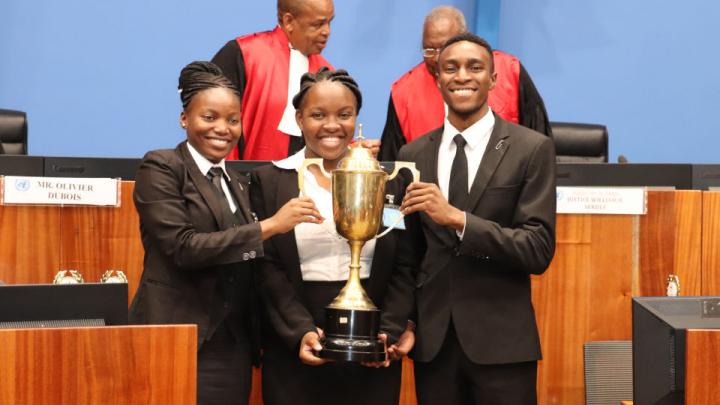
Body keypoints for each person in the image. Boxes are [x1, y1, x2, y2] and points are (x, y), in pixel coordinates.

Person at [129, 61, 323, 405]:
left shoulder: (238, 182)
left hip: (233, 343)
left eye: (233, 120)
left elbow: (254, 261)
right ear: (184, 118)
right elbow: (183, 248)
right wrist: (270, 226)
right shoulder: (161, 167)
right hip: (178, 338)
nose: (223, 128)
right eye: (210, 117)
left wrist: (299, 329)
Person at [398, 33, 556, 405]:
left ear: (493, 78)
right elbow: (408, 254)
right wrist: (404, 321)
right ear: (437, 78)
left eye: (475, 67)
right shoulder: (413, 153)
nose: (462, 76)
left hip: (502, 345)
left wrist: (458, 220)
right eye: (450, 68)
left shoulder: (531, 149)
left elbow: (537, 249)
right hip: (434, 345)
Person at [250, 67, 417, 405]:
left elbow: (403, 261)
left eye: (344, 115)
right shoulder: (270, 181)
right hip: (295, 341)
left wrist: (388, 331)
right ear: (299, 119)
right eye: (317, 115)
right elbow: (266, 268)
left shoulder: (386, 183)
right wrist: (300, 332)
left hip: (372, 341)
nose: (331, 125)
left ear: (356, 118)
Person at [378, 5, 552, 162]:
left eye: (447, 46)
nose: (439, 58)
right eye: (429, 50)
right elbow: (394, 165)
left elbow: (538, 142)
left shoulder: (510, 71)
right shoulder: (403, 92)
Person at [211, 0, 334, 161]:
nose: (327, 32)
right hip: (240, 177)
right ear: (288, 21)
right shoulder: (244, 53)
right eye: (318, 24)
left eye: (329, 22)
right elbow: (212, 122)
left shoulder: (327, 72)